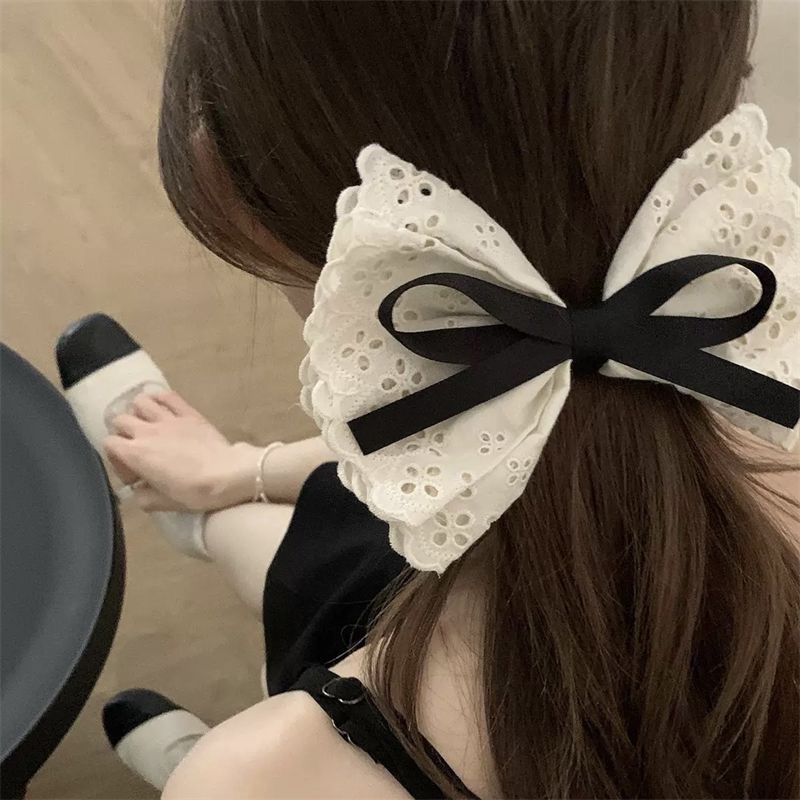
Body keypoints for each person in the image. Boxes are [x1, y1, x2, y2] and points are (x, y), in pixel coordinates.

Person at [57, 2, 800, 797]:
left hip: (321, 760)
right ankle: (209, 495)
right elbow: (531, 420)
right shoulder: (753, 375)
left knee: (351, 557)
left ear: (235, 194)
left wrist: (232, 777)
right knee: (356, 523)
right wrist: (247, 469)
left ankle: (200, 564)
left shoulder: (247, 782)